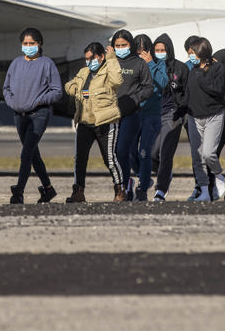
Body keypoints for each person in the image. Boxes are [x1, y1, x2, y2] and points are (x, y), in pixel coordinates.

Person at [2, 27, 63, 204]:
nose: (28, 46)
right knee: (33, 155)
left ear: (39, 44)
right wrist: (12, 102)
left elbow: (57, 91)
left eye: (32, 43)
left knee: (26, 153)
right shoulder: (15, 63)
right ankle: (48, 189)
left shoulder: (47, 63)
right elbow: (6, 88)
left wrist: (39, 100)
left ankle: (19, 191)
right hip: (19, 115)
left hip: (39, 114)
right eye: (25, 43)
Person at [63, 42, 124, 202]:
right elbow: (69, 85)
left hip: (105, 121)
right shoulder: (84, 72)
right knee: (80, 158)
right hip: (85, 122)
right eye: (87, 59)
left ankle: (120, 190)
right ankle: (78, 191)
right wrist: (74, 88)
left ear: (101, 57)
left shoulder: (109, 71)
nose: (89, 62)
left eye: (92, 58)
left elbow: (117, 81)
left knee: (109, 159)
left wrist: (111, 59)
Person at [151, 33, 200, 201]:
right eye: (156, 50)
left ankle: (161, 190)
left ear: (169, 50)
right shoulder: (150, 66)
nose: (159, 52)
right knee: (151, 153)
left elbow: (186, 92)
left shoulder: (180, 68)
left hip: (172, 114)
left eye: (162, 49)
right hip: (153, 115)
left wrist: (181, 111)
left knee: (166, 153)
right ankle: (165, 175)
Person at [110, 29, 154, 200]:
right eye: (117, 45)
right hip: (111, 115)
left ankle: (125, 187)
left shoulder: (138, 63)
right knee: (112, 154)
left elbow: (148, 88)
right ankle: (122, 185)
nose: (121, 48)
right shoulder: (110, 63)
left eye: (124, 45)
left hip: (131, 114)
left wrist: (134, 100)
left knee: (122, 151)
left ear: (131, 45)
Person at [184, 37, 225, 201]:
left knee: (209, 153)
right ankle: (204, 192)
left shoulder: (217, 68)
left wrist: (201, 76)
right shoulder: (193, 70)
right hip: (194, 117)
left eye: (192, 53)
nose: (190, 57)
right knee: (197, 157)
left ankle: (218, 174)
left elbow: (216, 89)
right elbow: (188, 94)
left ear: (201, 52)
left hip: (213, 116)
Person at [130, 33, 163, 201]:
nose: (141, 54)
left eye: (145, 50)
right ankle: (145, 178)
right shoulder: (131, 65)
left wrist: (151, 64)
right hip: (134, 113)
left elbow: (164, 83)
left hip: (152, 114)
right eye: (138, 50)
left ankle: (142, 188)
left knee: (144, 152)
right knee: (129, 153)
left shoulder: (157, 64)